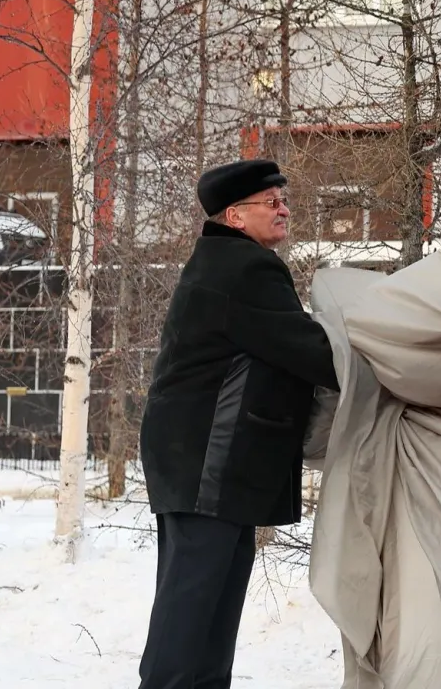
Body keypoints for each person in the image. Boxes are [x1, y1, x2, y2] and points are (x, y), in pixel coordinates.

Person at [137, 160, 340, 688]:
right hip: (209, 461)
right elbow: (313, 353)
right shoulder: (244, 267)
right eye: (271, 202)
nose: (284, 209)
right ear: (234, 214)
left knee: (210, 610)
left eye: (284, 199)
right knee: (193, 611)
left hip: (202, 461)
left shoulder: (221, 261)